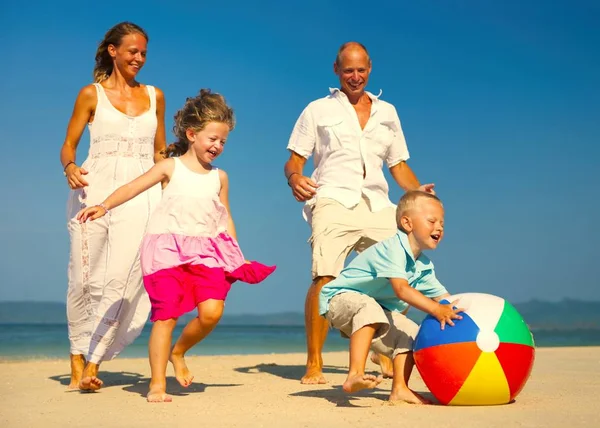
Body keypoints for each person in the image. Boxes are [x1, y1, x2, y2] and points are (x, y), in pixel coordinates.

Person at [77, 89, 276, 402]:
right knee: (165, 315)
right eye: (212, 139)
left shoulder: (220, 177)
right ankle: (157, 383)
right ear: (191, 134)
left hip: (206, 252)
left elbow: (225, 217)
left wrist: (235, 254)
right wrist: (104, 206)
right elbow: (132, 187)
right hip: (165, 251)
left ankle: (178, 352)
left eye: (223, 141)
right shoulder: (170, 167)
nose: (218, 146)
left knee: (212, 312)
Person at [284, 41, 435, 384]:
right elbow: (295, 158)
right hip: (333, 198)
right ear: (336, 70)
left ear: (370, 69)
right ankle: (315, 363)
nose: (355, 76)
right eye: (348, 70)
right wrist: (295, 177)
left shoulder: (388, 112)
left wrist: (416, 193)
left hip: (379, 204)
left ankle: (384, 347)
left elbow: (398, 165)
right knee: (326, 277)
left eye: (361, 70)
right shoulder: (317, 110)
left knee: (398, 276)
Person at [59, 22, 166, 391]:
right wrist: (70, 168)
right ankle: (76, 358)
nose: (139, 58)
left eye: (143, 53)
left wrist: (176, 187)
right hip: (93, 188)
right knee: (83, 278)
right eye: (132, 51)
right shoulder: (91, 94)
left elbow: (159, 152)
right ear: (113, 51)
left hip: (141, 192)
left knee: (123, 278)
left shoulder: (155, 96)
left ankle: (93, 363)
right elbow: (68, 146)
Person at [319, 190, 462, 403]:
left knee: (412, 333)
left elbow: (447, 300)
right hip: (339, 299)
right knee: (369, 307)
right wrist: (436, 310)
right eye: (432, 221)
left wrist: (468, 314)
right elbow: (401, 290)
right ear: (407, 223)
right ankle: (354, 374)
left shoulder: (423, 267)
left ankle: (400, 389)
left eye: (442, 223)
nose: (439, 227)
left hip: (375, 310)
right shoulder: (393, 248)